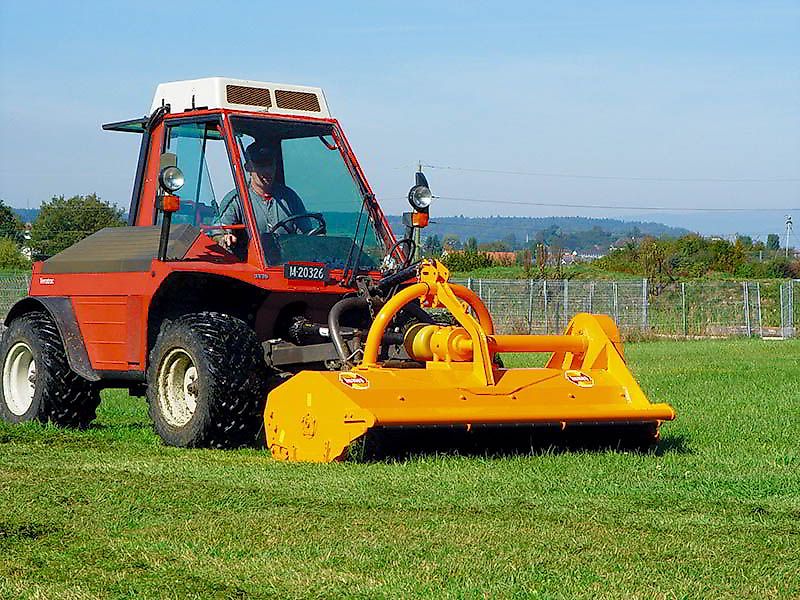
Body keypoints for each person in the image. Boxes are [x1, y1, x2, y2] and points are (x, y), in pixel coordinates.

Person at [217, 140, 313, 250]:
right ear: (248, 167)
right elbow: (219, 230)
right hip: (249, 264)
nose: (267, 170)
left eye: (270, 164)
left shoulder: (290, 197)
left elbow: (307, 235)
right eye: (261, 165)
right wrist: (224, 236)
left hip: (286, 262)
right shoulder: (236, 200)